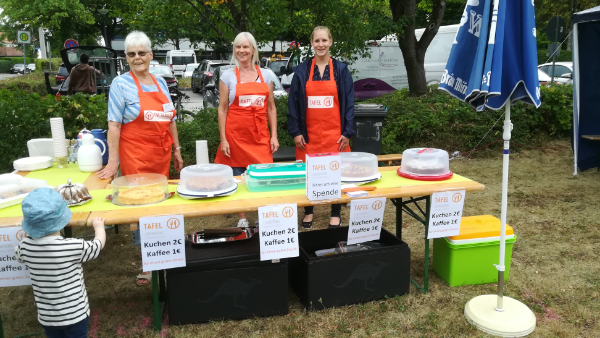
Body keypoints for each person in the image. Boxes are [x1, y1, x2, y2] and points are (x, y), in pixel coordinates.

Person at [287, 26, 356, 230]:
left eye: (324, 40)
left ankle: (335, 213)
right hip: (308, 136)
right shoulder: (301, 71)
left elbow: (350, 102)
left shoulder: (341, 70)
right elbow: (293, 103)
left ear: (331, 42)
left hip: (335, 135)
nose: (320, 44)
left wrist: (347, 132)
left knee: (336, 174)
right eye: (317, 41)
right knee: (308, 174)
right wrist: (296, 131)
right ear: (311, 43)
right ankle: (309, 211)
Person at [14, 188, 106, 338]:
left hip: (48, 317)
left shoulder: (25, 247)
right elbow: (97, 247)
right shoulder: (72, 246)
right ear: (62, 220)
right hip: (76, 315)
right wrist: (99, 229)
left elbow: (18, 254)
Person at [98, 31, 184, 180]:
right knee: (138, 198)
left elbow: (171, 120)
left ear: (150, 55)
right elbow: (114, 126)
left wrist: (177, 150)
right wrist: (112, 162)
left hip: (161, 157)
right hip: (135, 158)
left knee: (159, 197)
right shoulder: (120, 84)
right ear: (126, 58)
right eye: (131, 54)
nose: (137, 57)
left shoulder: (161, 83)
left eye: (141, 53)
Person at [215, 32, 279, 227]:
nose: (241, 51)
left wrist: (274, 135)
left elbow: (271, 107)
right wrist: (223, 139)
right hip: (235, 137)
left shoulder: (266, 75)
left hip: (260, 137)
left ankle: (262, 214)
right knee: (237, 179)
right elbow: (222, 109)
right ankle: (242, 218)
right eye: (238, 47)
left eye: (245, 47)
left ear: (253, 50)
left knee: (263, 178)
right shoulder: (227, 76)